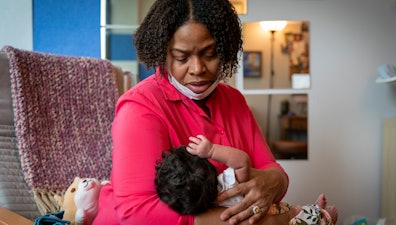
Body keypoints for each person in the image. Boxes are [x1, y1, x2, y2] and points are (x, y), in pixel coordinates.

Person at [93, 0, 290, 224]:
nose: (197, 69)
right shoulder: (140, 108)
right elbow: (137, 212)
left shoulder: (234, 100)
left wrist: (276, 182)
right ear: (163, 54)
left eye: (210, 54)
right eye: (181, 57)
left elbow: (269, 167)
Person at [155, 135, 337, 225]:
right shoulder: (225, 185)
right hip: (275, 214)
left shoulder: (201, 208)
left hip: (271, 211)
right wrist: (211, 150)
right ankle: (326, 216)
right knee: (303, 218)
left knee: (298, 212)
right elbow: (242, 161)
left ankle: (315, 209)